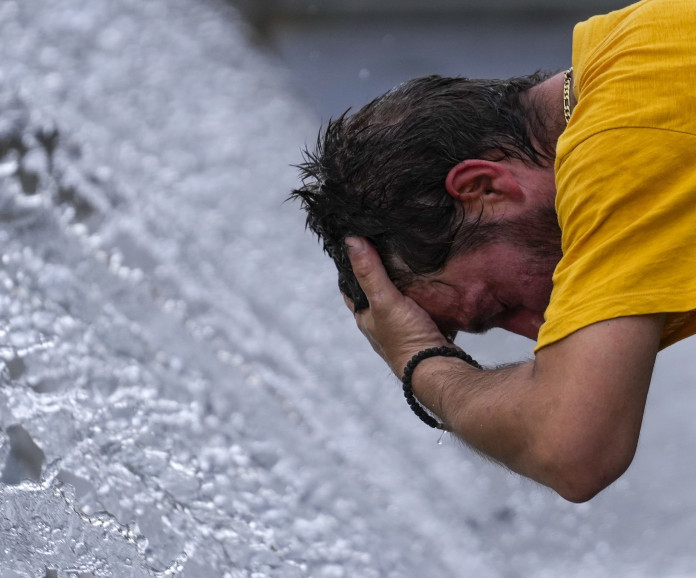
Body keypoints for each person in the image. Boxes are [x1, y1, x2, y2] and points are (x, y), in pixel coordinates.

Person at [290, 0, 696, 503]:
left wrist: (422, 361)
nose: (540, 330)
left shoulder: (629, 142)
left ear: (485, 188)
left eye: (500, 306)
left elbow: (573, 449)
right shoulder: (639, 50)